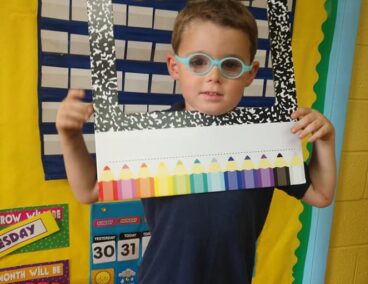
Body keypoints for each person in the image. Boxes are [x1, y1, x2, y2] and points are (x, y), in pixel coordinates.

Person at [56, 0, 336, 283]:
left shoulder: (262, 140)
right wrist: (69, 137)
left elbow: (321, 194)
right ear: (174, 67)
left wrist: (325, 139)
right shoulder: (154, 135)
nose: (213, 77)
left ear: (250, 74)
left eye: (230, 65)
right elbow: (89, 190)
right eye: (199, 62)